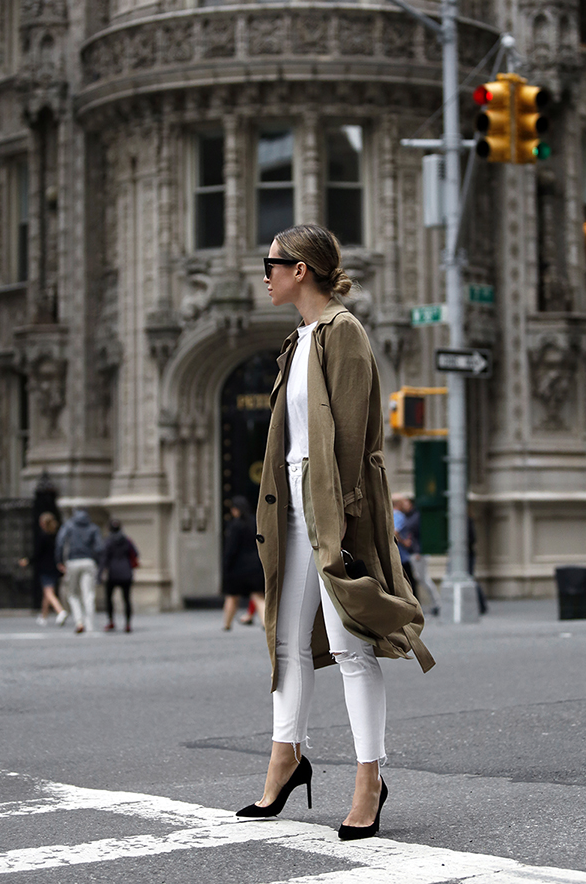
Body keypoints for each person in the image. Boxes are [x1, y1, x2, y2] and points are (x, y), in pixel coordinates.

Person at [236, 224, 434, 841]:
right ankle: (285, 760)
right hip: (291, 506)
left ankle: (369, 779)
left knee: (350, 647)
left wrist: (345, 527)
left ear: (302, 270)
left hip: (330, 509)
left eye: (272, 262)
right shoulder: (298, 340)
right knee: (286, 642)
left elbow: (352, 440)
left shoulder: (342, 332)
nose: (264, 272)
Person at [55, 507, 103, 634]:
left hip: (73, 562)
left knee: (72, 594)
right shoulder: (93, 527)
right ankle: (90, 625)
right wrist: (96, 562)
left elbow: (60, 542)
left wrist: (59, 560)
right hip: (89, 561)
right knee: (89, 595)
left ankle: (79, 621)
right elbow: (99, 547)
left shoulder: (69, 526)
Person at [221, 495, 266, 631]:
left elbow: (231, 549)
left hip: (237, 567)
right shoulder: (255, 522)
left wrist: (226, 565)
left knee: (232, 597)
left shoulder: (235, 525)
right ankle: (265, 622)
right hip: (255, 565)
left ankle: (227, 624)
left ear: (235, 510)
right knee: (258, 596)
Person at [392, 492, 441, 616]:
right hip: (407, 554)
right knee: (413, 580)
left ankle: (435, 604)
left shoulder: (416, 516)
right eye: (403, 502)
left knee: (420, 579)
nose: (405, 504)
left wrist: (414, 548)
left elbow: (422, 535)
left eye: (406, 502)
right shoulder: (403, 516)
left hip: (415, 553)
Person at [19, 511, 68, 627]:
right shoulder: (55, 536)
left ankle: (60, 611)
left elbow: (37, 554)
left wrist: (28, 561)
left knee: (48, 592)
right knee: (47, 593)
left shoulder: (43, 537)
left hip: (45, 568)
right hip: (54, 567)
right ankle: (43, 616)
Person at [98, 519, 139, 633]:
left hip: (113, 573)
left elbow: (104, 558)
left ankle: (111, 621)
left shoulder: (108, 541)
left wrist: (100, 574)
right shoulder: (127, 540)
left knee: (109, 598)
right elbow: (135, 553)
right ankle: (127, 624)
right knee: (127, 599)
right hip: (126, 572)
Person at [392, 492, 419, 596]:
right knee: (410, 584)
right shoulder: (399, 516)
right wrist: (404, 542)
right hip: (402, 556)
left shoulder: (389, 514)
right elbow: (395, 532)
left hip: (396, 556)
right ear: (398, 504)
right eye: (403, 501)